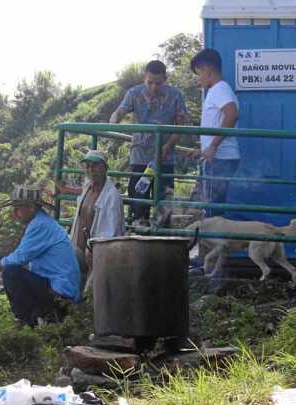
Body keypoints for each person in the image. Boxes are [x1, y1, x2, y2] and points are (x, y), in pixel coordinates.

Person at [0, 185, 80, 326]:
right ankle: (38, 317)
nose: (15, 213)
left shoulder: (40, 225)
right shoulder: (42, 222)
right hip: (55, 287)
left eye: (18, 208)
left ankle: (28, 322)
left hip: (60, 293)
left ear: (31, 207)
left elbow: (19, 258)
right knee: (13, 274)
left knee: (11, 273)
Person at [110, 60, 187, 225]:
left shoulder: (176, 96)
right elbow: (120, 111)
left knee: (164, 201)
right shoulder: (134, 93)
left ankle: (165, 235)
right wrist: (114, 121)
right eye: (149, 82)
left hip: (165, 157)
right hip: (140, 155)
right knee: (138, 200)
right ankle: (139, 230)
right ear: (144, 77)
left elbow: (181, 126)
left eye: (158, 83)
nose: (153, 87)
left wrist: (167, 147)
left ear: (165, 78)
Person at [63, 150, 125, 288]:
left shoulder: (112, 196)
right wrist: (66, 189)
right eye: (88, 166)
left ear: (105, 168)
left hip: (99, 255)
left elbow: (111, 232)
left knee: (91, 294)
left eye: (95, 165)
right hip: (79, 250)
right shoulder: (88, 186)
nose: (91, 170)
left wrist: (93, 249)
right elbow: (80, 190)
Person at [190, 48, 240, 217]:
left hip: (220, 159)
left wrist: (213, 146)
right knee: (211, 206)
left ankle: (212, 242)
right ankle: (211, 242)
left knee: (211, 209)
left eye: (198, 73)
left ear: (207, 71)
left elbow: (232, 115)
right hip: (217, 157)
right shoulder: (218, 90)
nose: (198, 79)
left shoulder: (220, 89)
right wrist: (204, 148)